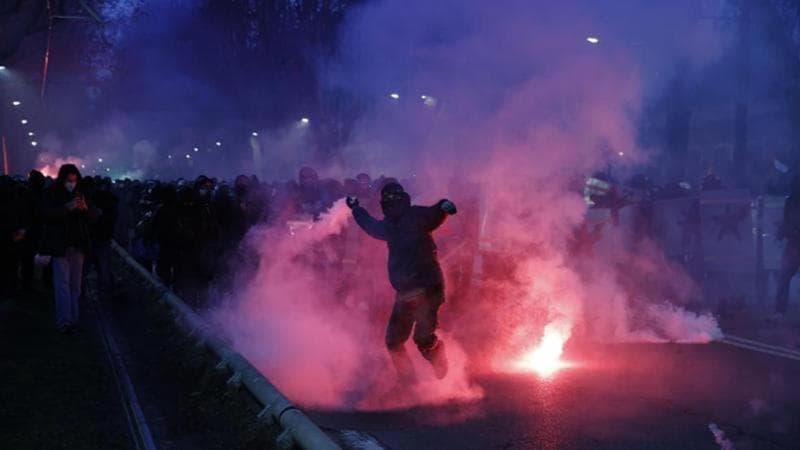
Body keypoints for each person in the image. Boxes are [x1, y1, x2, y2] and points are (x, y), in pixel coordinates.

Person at [346, 182, 457, 385]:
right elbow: (370, 225)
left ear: (403, 197)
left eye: (395, 197)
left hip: (428, 288)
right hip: (405, 293)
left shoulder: (416, 216)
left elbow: (433, 214)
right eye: (388, 198)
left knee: (422, 338)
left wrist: (444, 206)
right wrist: (356, 209)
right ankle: (408, 383)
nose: (392, 201)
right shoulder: (388, 225)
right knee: (393, 342)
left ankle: (436, 352)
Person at [40, 164, 94, 333]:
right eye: (69, 180)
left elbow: (92, 218)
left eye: (74, 180)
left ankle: (74, 318)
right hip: (61, 245)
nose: (72, 183)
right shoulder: (52, 194)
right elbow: (46, 215)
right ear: (62, 179)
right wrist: (66, 208)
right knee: (62, 284)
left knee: (75, 285)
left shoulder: (80, 193)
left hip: (78, 245)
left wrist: (86, 210)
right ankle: (65, 321)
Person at [773, 176, 800, 321]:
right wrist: (782, 232)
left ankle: (779, 311)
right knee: (784, 276)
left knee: (784, 276)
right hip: (794, 243)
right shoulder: (790, 201)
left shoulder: (791, 201)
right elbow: (787, 221)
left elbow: (788, 222)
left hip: (794, 242)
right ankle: (779, 311)